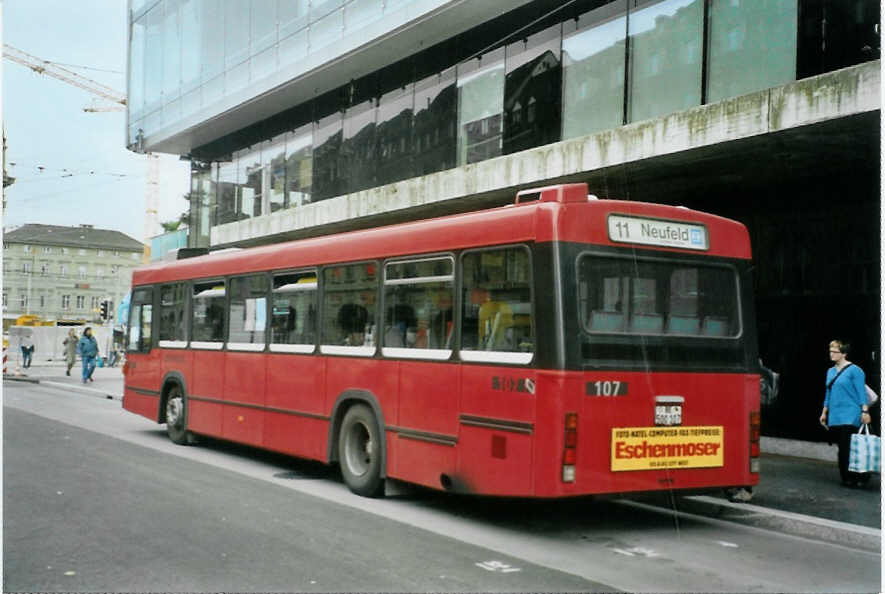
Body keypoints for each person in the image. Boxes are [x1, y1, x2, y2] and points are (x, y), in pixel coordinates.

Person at [819, 339, 871, 487]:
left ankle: (852, 477)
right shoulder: (830, 371)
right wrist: (824, 412)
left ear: (844, 354)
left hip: (851, 413)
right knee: (842, 447)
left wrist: (864, 410)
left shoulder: (855, 370)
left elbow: (861, 392)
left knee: (848, 446)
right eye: (830, 351)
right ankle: (850, 476)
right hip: (835, 414)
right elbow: (828, 393)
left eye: (835, 352)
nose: (831, 354)